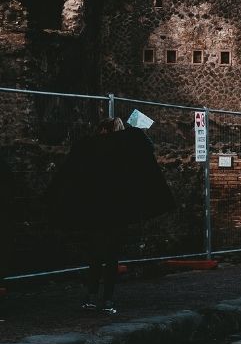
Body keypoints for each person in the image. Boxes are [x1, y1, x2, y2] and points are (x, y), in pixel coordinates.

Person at [47, 117, 173, 315]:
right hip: (114, 212)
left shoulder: (91, 149)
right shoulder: (125, 152)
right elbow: (147, 147)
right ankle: (105, 299)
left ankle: (93, 295)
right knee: (108, 256)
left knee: (97, 255)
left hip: (97, 211)